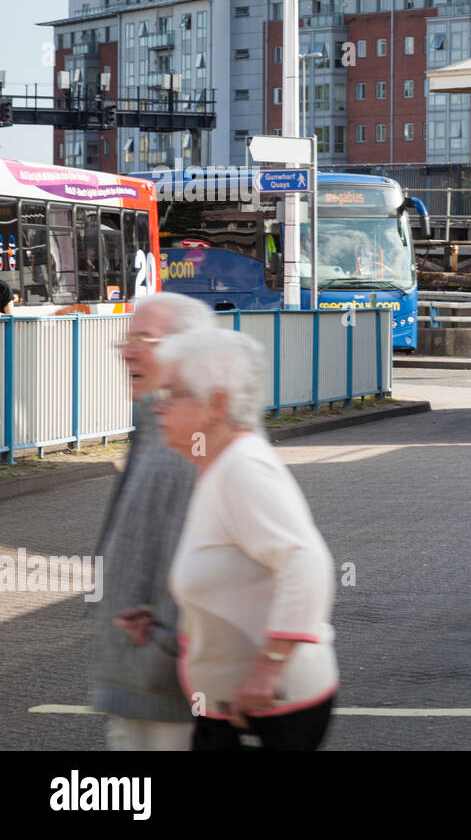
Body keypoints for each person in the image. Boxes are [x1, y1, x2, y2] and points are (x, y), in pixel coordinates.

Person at [155, 327, 337, 751]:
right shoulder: (217, 465)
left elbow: (306, 563)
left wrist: (268, 669)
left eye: (173, 395)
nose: (158, 407)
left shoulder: (243, 469)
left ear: (216, 404)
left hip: (266, 712)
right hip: (232, 709)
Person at [93, 291, 216, 751]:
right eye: (125, 339)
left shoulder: (195, 439)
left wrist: (162, 655)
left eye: (143, 339)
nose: (127, 351)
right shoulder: (152, 419)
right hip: (138, 685)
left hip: (170, 695)